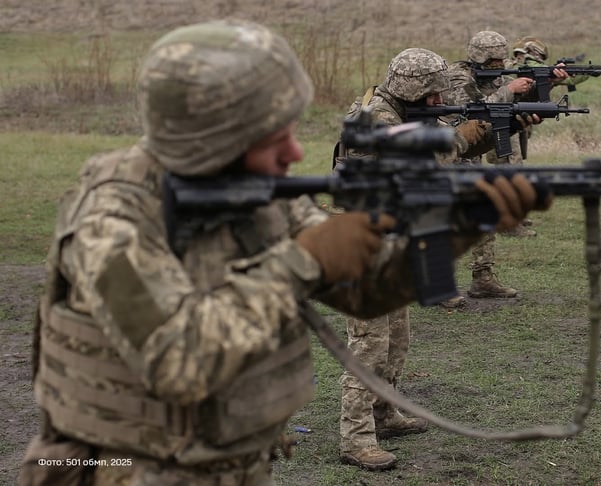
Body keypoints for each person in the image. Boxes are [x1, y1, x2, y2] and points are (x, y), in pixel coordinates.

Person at [18, 21, 546, 485]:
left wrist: (466, 226)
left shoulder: (255, 194)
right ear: (204, 131)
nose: (295, 153)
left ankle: (380, 415)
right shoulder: (110, 216)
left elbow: (367, 293)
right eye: (272, 134)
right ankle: (357, 431)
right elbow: (177, 361)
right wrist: (307, 257)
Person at [337, 47, 502, 471]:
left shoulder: (399, 111)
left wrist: (496, 124)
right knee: (368, 346)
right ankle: (355, 438)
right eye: (431, 95)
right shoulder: (379, 119)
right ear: (411, 89)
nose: (437, 102)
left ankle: (384, 413)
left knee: (396, 338)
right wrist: (474, 130)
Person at [443, 31, 559, 282]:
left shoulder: (495, 77)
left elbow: (510, 105)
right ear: (480, 57)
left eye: (500, 59)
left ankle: (484, 278)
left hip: (471, 153)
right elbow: (473, 109)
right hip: (450, 152)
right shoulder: (458, 76)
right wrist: (508, 89)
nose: (499, 65)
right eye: (494, 60)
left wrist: (547, 83)